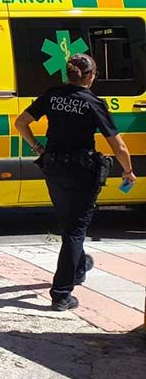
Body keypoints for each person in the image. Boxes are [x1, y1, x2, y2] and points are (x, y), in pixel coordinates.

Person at [14, 53, 136, 311]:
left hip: (54, 167)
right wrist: (128, 171)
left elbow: (21, 122)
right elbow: (119, 145)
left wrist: (38, 148)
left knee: (68, 223)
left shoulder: (52, 95)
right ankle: (61, 294)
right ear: (91, 76)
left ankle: (79, 267)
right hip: (81, 171)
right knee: (75, 231)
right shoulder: (93, 102)